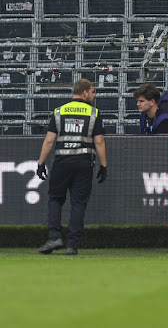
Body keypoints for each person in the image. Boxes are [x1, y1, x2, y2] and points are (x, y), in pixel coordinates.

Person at [37, 79, 108, 255]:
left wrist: (41, 163)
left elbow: (49, 140)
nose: (93, 96)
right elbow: (99, 141)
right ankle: (72, 245)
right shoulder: (94, 112)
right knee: (78, 203)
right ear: (84, 92)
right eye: (92, 92)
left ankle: (54, 237)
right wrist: (104, 165)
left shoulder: (59, 112)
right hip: (84, 163)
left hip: (62, 162)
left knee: (55, 199)